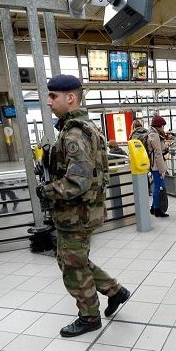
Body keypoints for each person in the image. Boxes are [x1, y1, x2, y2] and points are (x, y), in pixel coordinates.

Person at [36, 74, 131, 337]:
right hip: (83, 211)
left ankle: (89, 317)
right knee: (75, 259)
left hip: (75, 213)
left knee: (71, 265)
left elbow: (77, 181)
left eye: (53, 96)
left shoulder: (74, 133)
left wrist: (46, 189)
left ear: (70, 98)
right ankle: (115, 291)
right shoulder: (82, 127)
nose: (48, 102)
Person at [148, 114, 170, 217]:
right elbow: (157, 153)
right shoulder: (155, 135)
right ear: (158, 126)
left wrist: (165, 147)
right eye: (162, 126)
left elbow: (159, 149)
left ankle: (153, 207)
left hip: (155, 164)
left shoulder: (154, 134)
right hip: (156, 166)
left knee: (159, 185)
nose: (163, 128)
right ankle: (157, 209)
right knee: (159, 186)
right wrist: (162, 169)